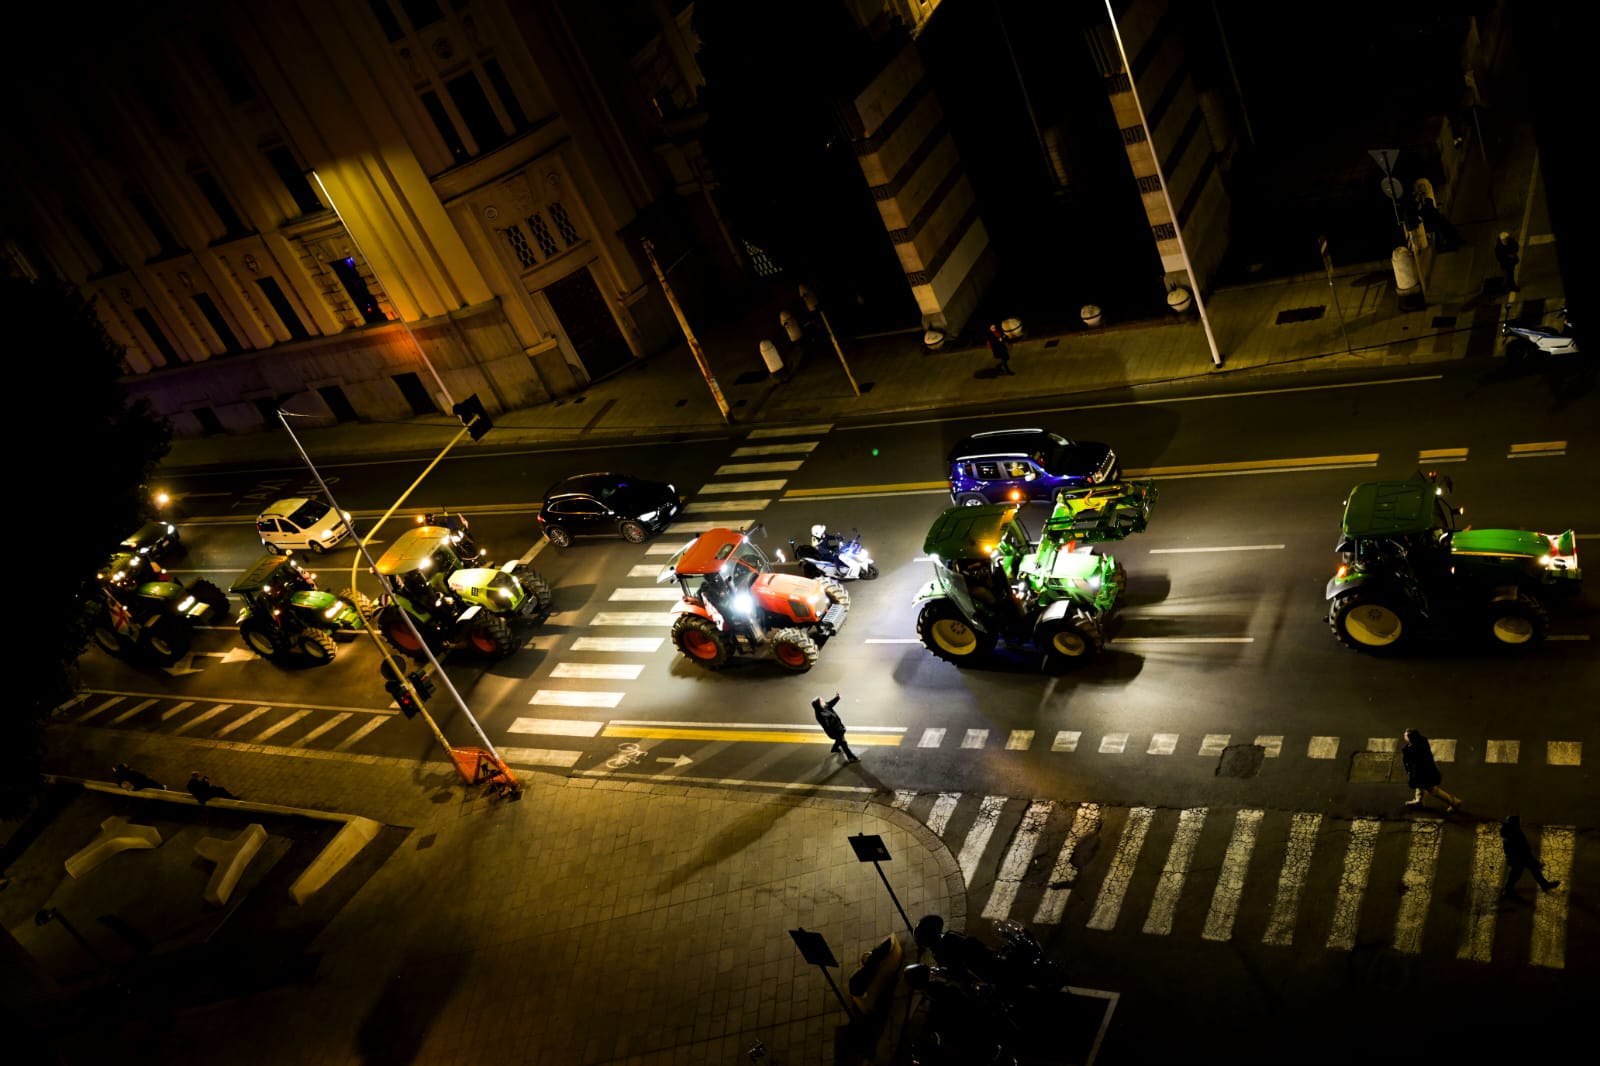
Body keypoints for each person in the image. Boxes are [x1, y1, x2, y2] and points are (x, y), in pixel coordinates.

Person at [1401, 729, 1462, 812]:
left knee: (1432, 790)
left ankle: (1454, 802)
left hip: (1422, 773)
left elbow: (1414, 763)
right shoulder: (1422, 741)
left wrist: (1411, 772)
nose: (1404, 736)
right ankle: (1419, 801)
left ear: (1411, 738)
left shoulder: (1413, 749)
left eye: (1405, 735)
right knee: (1419, 786)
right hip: (1426, 770)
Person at [1500, 814, 1560, 898]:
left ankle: (1544, 884)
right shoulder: (1512, 833)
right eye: (1519, 821)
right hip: (1519, 858)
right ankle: (1508, 890)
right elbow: (1518, 849)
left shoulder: (1512, 830)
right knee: (1516, 874)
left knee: (1532, 870)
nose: (1521, 823)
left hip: (1522, 856)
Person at [812, 693, 858, 761]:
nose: (824, 701)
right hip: (835, 732)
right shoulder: (821, 715)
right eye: (822, 701)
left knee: (840, 740)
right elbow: (828, 726)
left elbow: (830, 704)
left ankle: (835, 748)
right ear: (819, 704)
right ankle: (850, 756)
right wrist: (839, 730)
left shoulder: (824, 706)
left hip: (838, 728)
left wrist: (837, 698)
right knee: (843, 743)